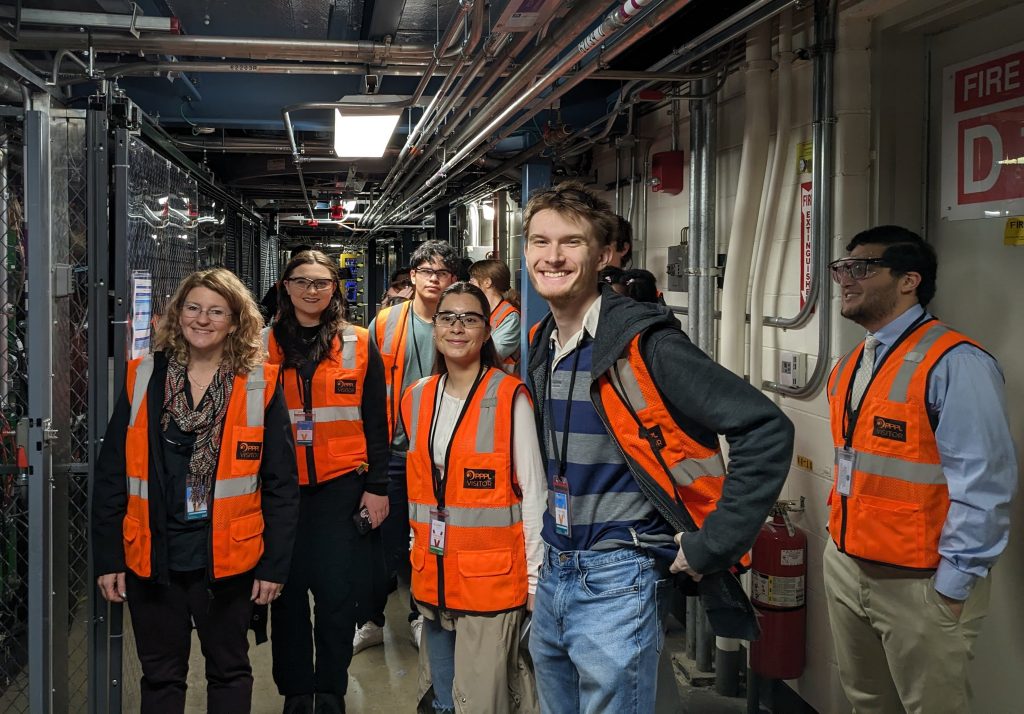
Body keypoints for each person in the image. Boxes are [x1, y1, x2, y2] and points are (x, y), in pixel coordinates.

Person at [522, 182, 793, 712]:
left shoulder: (647, 345)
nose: (552, 256)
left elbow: (765, 428)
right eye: (539, 241)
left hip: (618, 576)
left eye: (571, 243)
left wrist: (712, 543)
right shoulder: (542, 344)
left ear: (603, 255)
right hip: (555, 571)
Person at [823, 225, 1017, 713]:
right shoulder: (850, 364)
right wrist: (838, 555)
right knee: (867, 702)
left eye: (862, 268)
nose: (846, 279)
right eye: (842, 269)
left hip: (919, 582)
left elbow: (984, 484)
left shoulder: (956, 362)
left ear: (909, 280)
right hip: (849, 565)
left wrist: (953, 586)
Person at [92, 268, 299, 714]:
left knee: (228, 671)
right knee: (161, 675)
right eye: (193, 307)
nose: (202, 320)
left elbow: (282, 485)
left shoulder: (259, 383)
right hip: (153, 555)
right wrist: (109, 557)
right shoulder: (144, 376)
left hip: (227, 560)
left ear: (235, 321)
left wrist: (274, 567)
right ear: (177, 313)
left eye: (216, 311)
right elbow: (112, 475)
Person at [401, 282, 544, 714]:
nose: (457, 327)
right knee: (442, 699)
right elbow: (422, 489)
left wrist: (535, 582)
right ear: (435, 328)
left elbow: (533, 494)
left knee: (482, 702)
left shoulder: (508, 396)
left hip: (491, 585)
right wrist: (415, 549)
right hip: (433, 578)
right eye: (447, 318)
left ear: (486, 331)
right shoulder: (418, 397)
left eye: (470, 318)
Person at [264, 250, 391, 714]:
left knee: (338, 594)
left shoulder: (358, 342)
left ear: (335, 288)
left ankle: (331, 688)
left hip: (342, 488)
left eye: (322, 282)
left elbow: (377, 420)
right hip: (280, 492)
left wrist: (378, 487)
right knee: (287, 593)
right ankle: (298, 692)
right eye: (302, 281)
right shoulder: (262, 345)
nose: (311, 290)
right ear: (286, 286)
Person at [353, 239, 460, 654]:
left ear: (453, 279)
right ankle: (370, 619)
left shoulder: (458, 320)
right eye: (427, 272)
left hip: (440, 453)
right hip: (393, 452)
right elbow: (368, 386)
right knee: (380, 541)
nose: (435, 280)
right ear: (412, 276)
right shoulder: (386, 322)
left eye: (444, 273)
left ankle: (421, 615)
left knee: (432, 540)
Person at [468, 259, 521, 372]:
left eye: (472, 281)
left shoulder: (510, 317)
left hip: (500, 384)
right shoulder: (480, 311)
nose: (469, 285)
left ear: (487, 282)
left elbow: (494, 354)